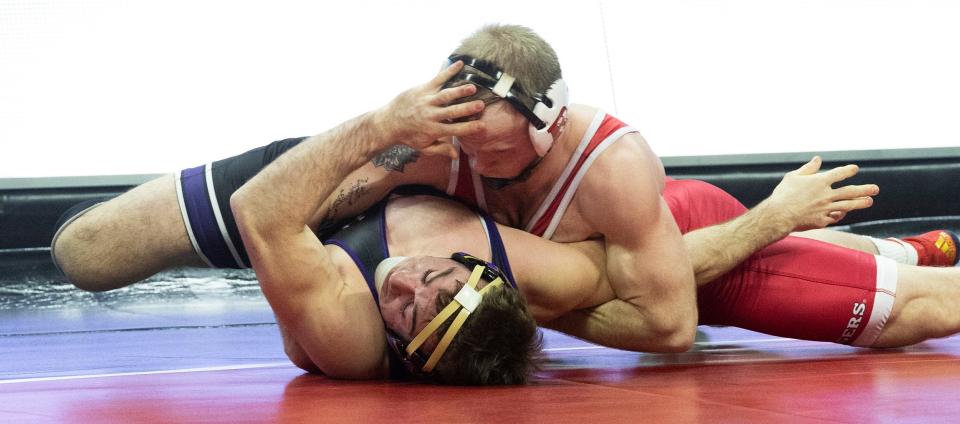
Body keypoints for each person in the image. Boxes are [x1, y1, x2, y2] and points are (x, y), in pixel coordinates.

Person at [52, 24, 956, 353]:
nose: (468, 162)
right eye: (450, 137)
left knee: (907, 317)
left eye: (493, 149)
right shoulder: (406, 143)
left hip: (677, 233)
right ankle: (900, 244)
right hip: (615, 254)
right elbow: (82, 253)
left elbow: (670, 326)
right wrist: (377, 136)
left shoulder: (607, 163)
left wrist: (766, 220)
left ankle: (899, 260)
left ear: (550, 124)